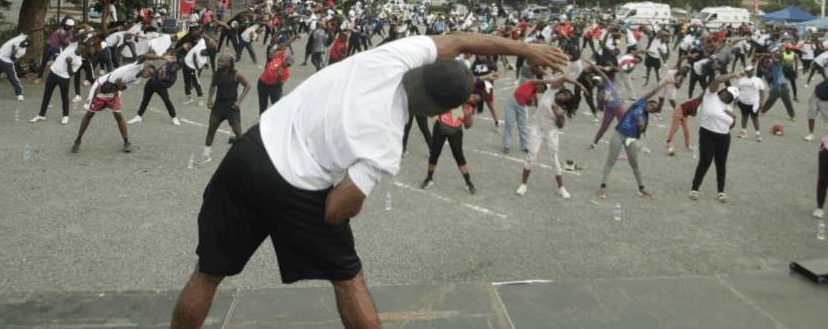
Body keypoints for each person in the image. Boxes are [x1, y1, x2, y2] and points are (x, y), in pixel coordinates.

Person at [169, 32, 567, 329]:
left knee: (208, 272)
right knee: (348, 278)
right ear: (439, 111)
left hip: (251, 150)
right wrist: (348, 208)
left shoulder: (394, 55)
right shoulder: (388, 140)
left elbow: (461, 41)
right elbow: (335, 208)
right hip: (296, 184)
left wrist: (526, 48)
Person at [595, 79, 672, 201]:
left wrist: (640, 129)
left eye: (653, 109)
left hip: (630, 139)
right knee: (611, 160)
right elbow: (652, 92)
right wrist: (663, 84)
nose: (651, 108)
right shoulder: (639, 104)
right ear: (648, 103)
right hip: (618, 134)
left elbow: (638, 137)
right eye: (652, 105)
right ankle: (602, 187)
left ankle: (641, 188)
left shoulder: (646, 120)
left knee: (635, 164)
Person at [515, 75, 584, 200]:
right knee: (531, 156)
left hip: (551, 132)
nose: (563, 96)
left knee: (554, 159)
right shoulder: (551, 92)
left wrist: (558, 115)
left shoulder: (562, 109)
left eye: (566, 98)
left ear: (565, 102)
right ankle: (523, 185)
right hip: (537, 128)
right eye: (564, 94)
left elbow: (561, 125)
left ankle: (561, 188)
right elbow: (563, 78)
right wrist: (579, 85)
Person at [689, 71, 742, 203]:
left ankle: (721, 191)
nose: (726, 95)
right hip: (707, 133)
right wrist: (734, 75)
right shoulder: (710, 96)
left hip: (724, 137)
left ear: (731, 99)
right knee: (705, 162)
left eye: (730, 96)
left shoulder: (728, 107)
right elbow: (717, 80)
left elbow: (730, 125)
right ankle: (695, 188)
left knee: (721, 164)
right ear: (723, 90)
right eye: (726, 92)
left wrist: (734, 118)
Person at [193, 53, 250, 165]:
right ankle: (206, 155)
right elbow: (213, 85)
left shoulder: (236, 74)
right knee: (211, 130)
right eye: (219, 61)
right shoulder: (215, 74)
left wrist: (239, 100)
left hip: (231, 107)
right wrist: (210, 99)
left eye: (222, 62)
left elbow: (248, 85)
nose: (219, 63)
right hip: (218, 107)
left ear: (228, 64)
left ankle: (245, 156)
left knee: (238, 131)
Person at [420, 83, 478, 194]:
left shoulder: (471, 108)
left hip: (455, 131)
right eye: (472, 96)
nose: (473, 99)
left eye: (475, 99)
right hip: (441, 127)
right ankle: (429, 178)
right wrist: (436, 116)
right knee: (434, 153)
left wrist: (465, 114)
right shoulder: (457, 97)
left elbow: (468, 126)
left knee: (459, 156)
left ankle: (468, 182)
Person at [33, 41, 88, 124]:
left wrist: (69, 64)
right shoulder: (71, 47)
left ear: (84, 51)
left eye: (81, 49)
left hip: (64, 78)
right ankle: (41, 115)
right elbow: (75, 36)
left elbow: (71, 73)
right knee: (47, 94)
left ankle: (65, 116)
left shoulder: (78, 61)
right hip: (53, 73)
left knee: (64, 97)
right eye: (79, 47)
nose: (78, 49)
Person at [128, 61, 183, 126]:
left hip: (161, 87)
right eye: (174, 66)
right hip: (151, 82)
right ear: (173, 64)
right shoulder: (168, 64)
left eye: (176, 68)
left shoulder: (173, 77)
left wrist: (160, 81)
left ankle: (174, 117)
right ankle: (139, 116)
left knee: (167, 101)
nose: (174, 68)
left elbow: (167, 86)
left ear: (178, 69)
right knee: (145, 100)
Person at [0, 32, 31, 103]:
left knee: (12, 77)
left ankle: (19, 93)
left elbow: (13, 58)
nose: (21, 45)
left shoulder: (22, 51)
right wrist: (42, 28)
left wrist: (13, 52)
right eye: (22, 43)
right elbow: (29, 30)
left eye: (23, 45)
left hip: (7, 62)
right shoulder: (20, 38)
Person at [504, 79, 538, 154]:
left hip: (522, 107)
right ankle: (506, 145)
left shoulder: (535, 95)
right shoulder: (530, 84)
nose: (540, 89)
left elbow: (530, 104)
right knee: (509, 124)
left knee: (523, 126)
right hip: (512, 103)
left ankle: (525, 146)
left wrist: (531, 102)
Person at [758, 55, 796, 121]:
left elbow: (774, 59)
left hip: (784, 86)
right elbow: (768, 81)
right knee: (770, 101)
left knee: (788, 102)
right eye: (767, 65)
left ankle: (792, 116)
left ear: (771, 63)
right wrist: (769, 78)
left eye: (769, 64)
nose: (768, 65)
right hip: (775, 88)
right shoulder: (766, 71)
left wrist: (772, 56)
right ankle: (762, 111)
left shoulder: (776, 66)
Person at [736, 65, 765, 141]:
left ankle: (757, 134)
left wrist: (761, 101)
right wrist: (735, 99)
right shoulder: (741, 80)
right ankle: (743, 131)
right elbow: (738, 90)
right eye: (749, 71)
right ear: (746, 72)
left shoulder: (757, 80)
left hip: (754, 103)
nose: (751, 72)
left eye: (752, 70)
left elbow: (762, 91)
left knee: (755, 118)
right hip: (743, 102)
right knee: (744, 117)